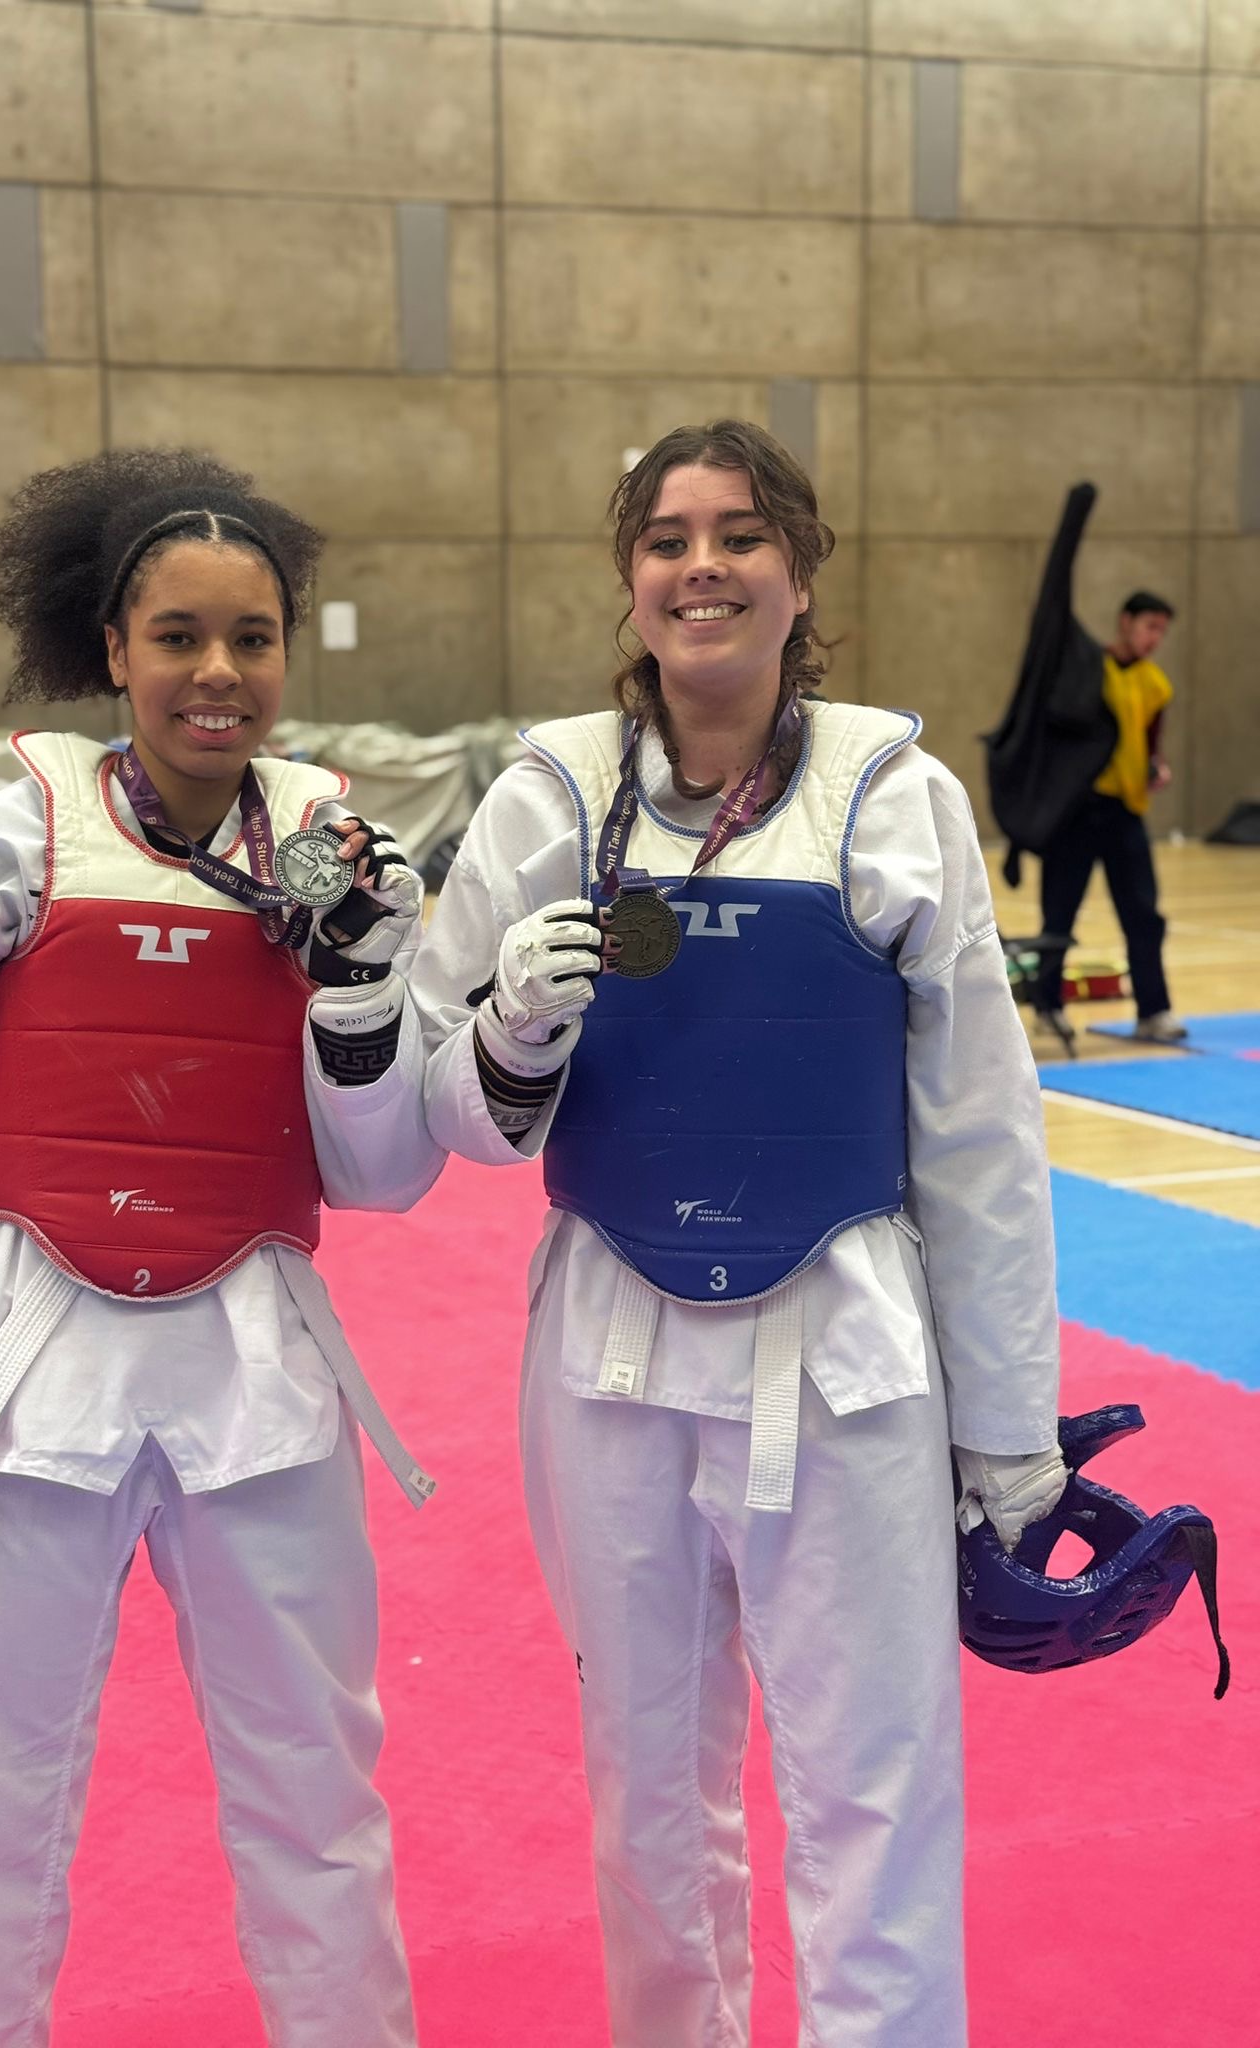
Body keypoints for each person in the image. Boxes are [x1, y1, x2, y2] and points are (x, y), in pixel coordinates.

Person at [410, 420, 1067, 2047]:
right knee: (646, 1792)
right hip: (608, 1353)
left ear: (798, 570)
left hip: (847, 1353)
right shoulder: (544, 795)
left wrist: (1013, 1432)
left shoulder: (898, 797)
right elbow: (415, 1113)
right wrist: (505, 1043)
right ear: (628, 578)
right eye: (666, 537)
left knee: (873, 1790)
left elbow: (981, 1134)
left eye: (738, 534)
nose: (700, 565)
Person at [0, 449, 440, 2048]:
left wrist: (364, 1001)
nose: (218, 674)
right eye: (179, 636)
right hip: (25, 1397)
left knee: (319, 1797)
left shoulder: (334, 852)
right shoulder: (7, 843)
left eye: (253, 638)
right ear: (113, 647)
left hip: (261, 1383)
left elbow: (377, 1183)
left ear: (290, 653)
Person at [1034, 591, 1186, 1044]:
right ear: (1125, 622)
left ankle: (1153, 1012)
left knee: (1143, 915)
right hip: (1077, 813)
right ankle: (1047, 1005)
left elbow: (1149, 743)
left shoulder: (1155, 684)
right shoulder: (1087, 670)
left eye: (1162, 630)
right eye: (1149, 626)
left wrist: (1155, 768)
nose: (1154, 638)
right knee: (1058, 914)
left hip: (1124, 813)